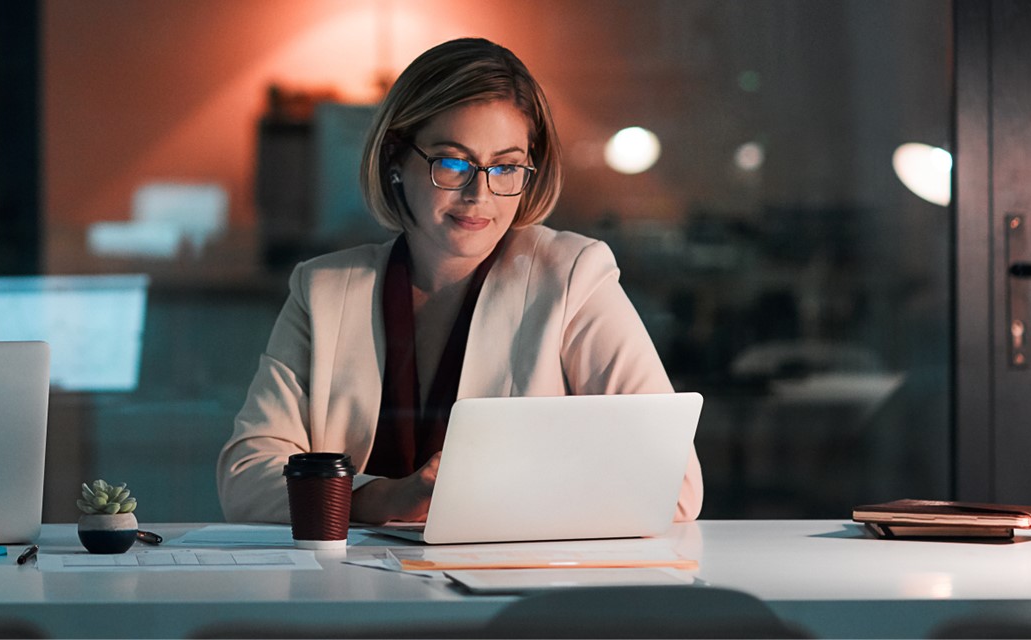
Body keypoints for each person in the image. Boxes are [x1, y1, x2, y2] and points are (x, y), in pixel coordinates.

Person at [216, 37, 702, 525]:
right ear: (395, 158)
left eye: (506, 166)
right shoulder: (322, 289)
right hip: (351, 592)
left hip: (509, 590)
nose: (480, 193)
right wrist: (380, 499)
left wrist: (480, 501)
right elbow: (246, 477)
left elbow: (673, 486)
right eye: (452, 162)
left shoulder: (573, 276)